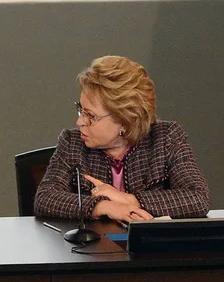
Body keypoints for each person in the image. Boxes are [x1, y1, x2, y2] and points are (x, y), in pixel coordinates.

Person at [34, 55, 210, 223]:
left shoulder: (166, 137)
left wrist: (130, 200)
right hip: (92, 250)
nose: (79, 121)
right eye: (81, 110)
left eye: (90, 116)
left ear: (125, 121)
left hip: (152, 250)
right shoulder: (72, 143)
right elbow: (45, 198)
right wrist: (104, 206)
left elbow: (198, 197)